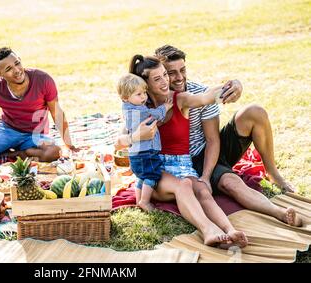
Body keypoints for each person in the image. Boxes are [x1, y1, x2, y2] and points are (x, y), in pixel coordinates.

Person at [154, 45, 301, 227]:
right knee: (231, 183)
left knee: (254, 111)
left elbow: (213, 140)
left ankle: (272, 172)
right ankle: (279, 213)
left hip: (206, 152)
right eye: (172, 73)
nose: (180, 77)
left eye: (182, 70)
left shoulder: (199, 92)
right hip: (177, 162)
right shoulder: (154, 98)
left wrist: (206, 177)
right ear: (161, 75)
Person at [116, 57, 238, 248]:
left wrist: (231, 86)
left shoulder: (179, 98)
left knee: (203, 191)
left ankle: (230, 230)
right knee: (184, 186)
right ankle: (209, 231)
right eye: (157, 79)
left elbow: (204, 97)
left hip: (182, 164)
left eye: (165, 74)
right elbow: (118, 143)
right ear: (145, 84)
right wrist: (136, 136)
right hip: (156, 169)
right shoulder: (138, 106)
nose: (165, 81)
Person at [0, 47, 77, 166]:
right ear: (0, 74)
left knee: (54, 152)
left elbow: (57, 113)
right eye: (8, 69)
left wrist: (69, 144)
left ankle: (12, 154)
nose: (16, 70)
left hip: (35, 134)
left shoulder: (43, 80)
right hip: (7, 129)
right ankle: (12, 150)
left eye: (17, 63)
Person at [117, 73, 172, 211]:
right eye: (138, 94)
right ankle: (145, 201)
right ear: (125, 98)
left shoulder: (127, 108)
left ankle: (138, 200)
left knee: (141, 177)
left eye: (144, 93)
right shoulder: (140, 111)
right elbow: (156, 115)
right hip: (146, 152)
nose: (144, 97)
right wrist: (165, 106)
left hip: (135, 153)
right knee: (152, 175)